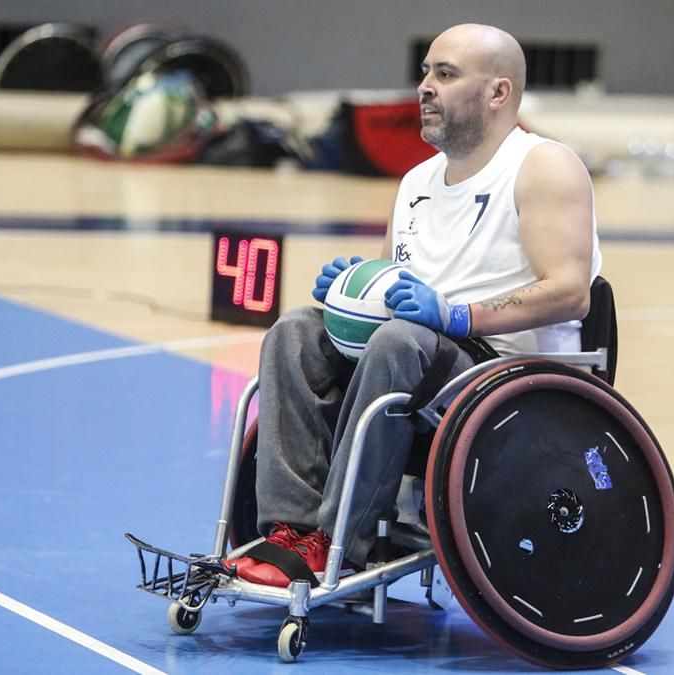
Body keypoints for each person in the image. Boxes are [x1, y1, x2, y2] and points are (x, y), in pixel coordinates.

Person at [222, 23, 602, 587]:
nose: (424, 86)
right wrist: (350, 291)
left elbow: (569, 290)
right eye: (425, 71)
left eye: (445, 74)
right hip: (420, 357)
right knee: (297, 330)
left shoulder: (543, 166)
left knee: (400, 341)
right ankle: (290, 530)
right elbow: (388, 283)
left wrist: (457, 314)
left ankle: (338, 540)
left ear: (499, 92)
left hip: (508, 373)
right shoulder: (417, 180)